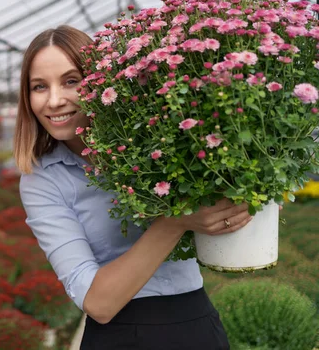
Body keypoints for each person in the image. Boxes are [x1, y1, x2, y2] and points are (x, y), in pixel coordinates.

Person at [14, 25, 251, 350]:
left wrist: (250, 196)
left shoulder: (156, 140)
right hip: (121, 336)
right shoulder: (42, 179)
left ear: (98, 81)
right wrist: (176, 220)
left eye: (71, 81)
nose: (54, 100)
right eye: (39, 87)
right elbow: (98, 303)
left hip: (197, 321)